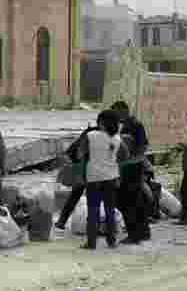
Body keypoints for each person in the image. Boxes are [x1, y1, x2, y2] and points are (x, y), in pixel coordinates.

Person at [82, 109, 126, 250]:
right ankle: (111, 241)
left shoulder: (90, 135)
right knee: (110, 210)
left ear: (101, 122)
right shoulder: (118, 139)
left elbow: (80, 153)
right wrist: (112, 161)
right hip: (111, 179)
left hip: (93, 178)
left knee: (93, 211)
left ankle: (91, 243)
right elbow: (125, 156)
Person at [111, 100, 150, 244]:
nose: (116, 116)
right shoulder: (124, 125)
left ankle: (134, 234)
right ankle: (143, 232)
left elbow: (143, 146)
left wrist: (131, 159)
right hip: (127, 167)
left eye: (116, 113)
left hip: (132, 168)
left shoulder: (135, 125)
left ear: (124, 110)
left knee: (127, 201)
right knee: (136, 201)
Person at [54, 121, 96, 231]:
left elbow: (69, 155)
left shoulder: (89, 134)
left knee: (76, 195)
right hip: (86, 169)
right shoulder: (93, 135)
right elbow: (75, 154)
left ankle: (62, 221)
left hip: (86, 169)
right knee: (79, 194)